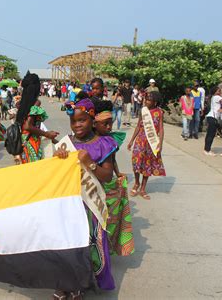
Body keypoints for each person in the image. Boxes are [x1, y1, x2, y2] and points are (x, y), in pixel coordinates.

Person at [54, 98, 118, 298]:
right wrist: (59, 157)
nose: (77, 125)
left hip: (90, 204)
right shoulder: (68, 143)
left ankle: (80, 285)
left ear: (92, 119)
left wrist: (89, 162)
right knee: (67, 244)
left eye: (82, 120)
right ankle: (65, 284)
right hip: (70, 202)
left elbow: (107, 176)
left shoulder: (104, 144)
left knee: (86, 244)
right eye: (73, 122)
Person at [92, 99, 134, 257]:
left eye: (111, 123)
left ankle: (105, 251)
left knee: (109, 220)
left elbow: (112, 159)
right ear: (95, 123)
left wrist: (118, 173)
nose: (110, 127)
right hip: (92, 185)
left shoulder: (110, 140)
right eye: (106, 124)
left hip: (106, 184)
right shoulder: (88, 140)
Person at [127, 91, 166, 199]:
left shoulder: (159, 112)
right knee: (136, 162)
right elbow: (139, 126)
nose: (146, 101)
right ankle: (136, 183)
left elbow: (161, 129)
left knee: (147, 165)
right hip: (140, 140)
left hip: (151, 143)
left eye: (149, 100)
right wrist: (131, 141)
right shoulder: (142, 111)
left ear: (155, 102)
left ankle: (143, 188)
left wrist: (160, 144)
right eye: (146, 99)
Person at [16, 73, 59, 164]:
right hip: (31, 141)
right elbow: (28, 126)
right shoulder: (36, 103)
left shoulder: (22, 102)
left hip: (23, 140)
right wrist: (47, 134)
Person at [204, 87, 222, 155]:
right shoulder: (217, 97)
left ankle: (207, 149)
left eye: (220, 91)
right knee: (211, 134)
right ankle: (207, 150)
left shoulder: (213, 97)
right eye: (218, 91)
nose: (220, 92)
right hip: (212, 117)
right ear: (215, 92)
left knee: (210, 134)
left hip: (211, 117)